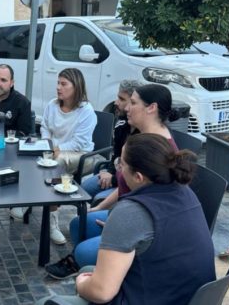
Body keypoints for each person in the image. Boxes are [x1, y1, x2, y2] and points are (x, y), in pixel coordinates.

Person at [37, 133, 215, 305]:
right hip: (185, 296)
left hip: (151, 297)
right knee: (86, 270)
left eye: (121, 164)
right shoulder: (185, 191)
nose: (118, 169)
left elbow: (101, 292)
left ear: (138, 177)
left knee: (44, 301)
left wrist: (81, 285)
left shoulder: (131, 212)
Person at [45, 83, 181, 279]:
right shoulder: (141, 138)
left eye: (132, 102)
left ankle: (102, 271)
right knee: (77, 224)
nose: (126, 107)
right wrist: (100, 209)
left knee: (83, 248)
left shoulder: (156, 151)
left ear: (151, 108)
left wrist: (116, 222)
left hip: (143, 225)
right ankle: (96, 267)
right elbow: (126, 188)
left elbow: (149, 209)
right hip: (126, 212)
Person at [12, 68, 97, 245]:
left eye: (63, 84)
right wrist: (46, 144)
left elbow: (80, 142)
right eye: (58, 83)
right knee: (30, 156)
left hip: (80, 155)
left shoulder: (86, 111)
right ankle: (29, 198)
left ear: (76, 86)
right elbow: (45, 127)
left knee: (53, 165)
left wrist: (56, 149)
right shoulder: (52, 105)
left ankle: (52, 225)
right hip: (54, 151)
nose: (58, 87)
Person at [79, 80, 142, 200]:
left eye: (122, 99)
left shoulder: (144, 133)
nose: (116, 102)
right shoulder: (121, 125)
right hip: (115, 174)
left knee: (99, 198)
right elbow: (116, 157)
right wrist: (109, 172)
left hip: (129, 185)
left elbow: (136, 175)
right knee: (83, 189)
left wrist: (112, 178)